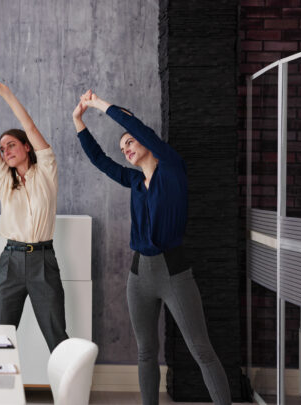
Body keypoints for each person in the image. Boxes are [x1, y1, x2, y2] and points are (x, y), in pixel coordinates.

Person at [73, 90, 231, 404]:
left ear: (147, 141)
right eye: (123, 147)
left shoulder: (172, 169)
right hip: (138, 275)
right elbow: (101, 161)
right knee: (145, 352)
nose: (125, 149)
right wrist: (78, 121)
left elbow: (137, 127)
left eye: (129, 141)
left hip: (174, 272)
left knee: (201, 349)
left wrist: (98, 104)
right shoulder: (133, 182)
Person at [0, 66, 68, 352]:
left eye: (12, 145)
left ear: (27, 148)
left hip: (44, 261)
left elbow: (29, 126)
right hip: (11, 262)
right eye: (3, 149)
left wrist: (4, 94)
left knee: (57, 337)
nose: (5, 151)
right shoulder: (5, 181)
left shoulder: (47, 172)